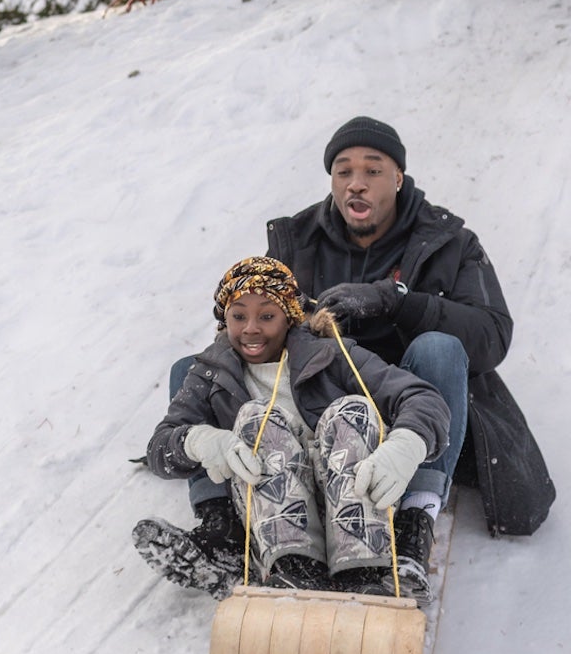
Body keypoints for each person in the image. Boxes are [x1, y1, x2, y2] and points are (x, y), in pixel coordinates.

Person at [266, 116, 555, 583]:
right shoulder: (297, 241)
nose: (356, 184)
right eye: (344, 171)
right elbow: (258, 326)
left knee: (440, 347)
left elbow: (491, 336)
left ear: (398, 178)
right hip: (333, 400)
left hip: (423, 406)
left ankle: (416, 518)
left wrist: (396, 300)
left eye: (373, 170)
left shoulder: (450, 242)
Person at [135, 256, 450, 599]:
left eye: (267, 316)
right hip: (274, 519)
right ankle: (294, 567)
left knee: (351, 410)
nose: (251, 328)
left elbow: (419, 397)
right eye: (238, 316)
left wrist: (406, 445)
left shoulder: (331, 355)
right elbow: (159, 448)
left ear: (290, 317)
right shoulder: (211, 374)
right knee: (257, 419)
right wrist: (197, 440)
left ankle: (365, 570)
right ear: (223, 318)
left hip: (352, 501)